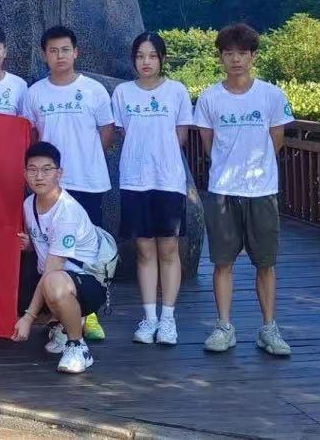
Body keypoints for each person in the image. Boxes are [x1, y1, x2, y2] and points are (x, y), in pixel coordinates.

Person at [194, 23, 295, 356]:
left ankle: (269, 328)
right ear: (221, 57)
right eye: (228, 53)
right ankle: (224, 327)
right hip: (223, 189)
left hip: (262, 190)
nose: (235, 59)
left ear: (253, 56)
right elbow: (208, 144)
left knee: (265, 262)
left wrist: (257, 168)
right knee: (222, 262)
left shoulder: (271, 95)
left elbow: (276, 139)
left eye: (242, 53)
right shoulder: (209, 97)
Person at [24, 25, 113, 341]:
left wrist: (86, 159)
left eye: (65, 50)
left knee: (87, 254)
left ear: (75, 52)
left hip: (87, 182)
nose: (59, 56)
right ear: (44, 55)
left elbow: (106, 132)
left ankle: (89, 314)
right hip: (48, 184)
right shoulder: (34, 93)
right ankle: (57, 320)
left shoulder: (94, 90)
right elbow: (31, 136)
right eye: (53, 50)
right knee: (50, 251)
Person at [111, 32, 194, 345]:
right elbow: (122, 131)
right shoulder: (122, 93)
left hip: (168, 180)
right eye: (140, 56)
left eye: (152, 56)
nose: (146, 62)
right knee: (144, 251)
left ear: (162, 59)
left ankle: (168, 319)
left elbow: (181, 136)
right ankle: (149, 318)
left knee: (169, 250)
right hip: (134, 180)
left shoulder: (177, 91)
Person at [12, 142, 106, 374]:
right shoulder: (28, 204)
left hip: (87, 283)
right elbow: (44, 244)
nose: (39, 176)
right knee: (42, 280)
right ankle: (62, 326)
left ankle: (77, 345)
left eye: (47, 169)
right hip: (55, 277)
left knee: (53, 282)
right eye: (32, 169)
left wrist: (28, 318)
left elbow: (52, 269)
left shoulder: (66, 211)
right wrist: (30, 245)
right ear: (24, 173)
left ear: (59, 173)